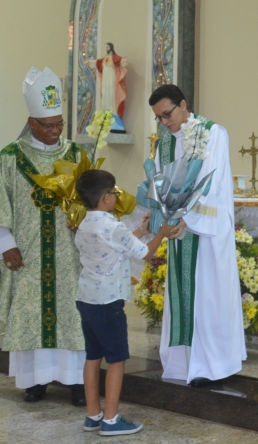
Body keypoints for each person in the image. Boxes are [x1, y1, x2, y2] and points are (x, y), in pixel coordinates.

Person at [0, 66, 89, 405]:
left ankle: (76, 382)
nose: (55, 131)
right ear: (32, 123)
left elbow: (94, 200)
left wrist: (81, 218)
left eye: (59, 124)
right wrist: (6, 246)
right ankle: (35, 381)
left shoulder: (75, 155)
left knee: (72, 313)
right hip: (27, 253)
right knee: (30, 313)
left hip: (70, 254)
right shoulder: (10, 157)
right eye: (48, 125)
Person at [149, 84, 246, 385]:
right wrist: (161, 212)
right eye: (159, 118)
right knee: (182, 294)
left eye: (167, 114)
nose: (165, 123)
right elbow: (157, 180)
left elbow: (213, 185)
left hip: (205, 235)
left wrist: (188, 220)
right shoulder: (163, 142)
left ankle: (214, 365)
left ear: (183, 104)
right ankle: (182, 364)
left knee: (208, 295)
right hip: (178, 233)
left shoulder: (212, 133)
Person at [74, 169, 181, 436]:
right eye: (114, 192)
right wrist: (162, 234)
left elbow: (117, 244)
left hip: (87, 300)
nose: (115, 196)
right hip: (109, 302)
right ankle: (111, 420)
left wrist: (143, 230)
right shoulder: (113, 226)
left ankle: (93, 415)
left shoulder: (85, 224)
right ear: (106, 197)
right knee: (117, 359)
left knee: (92, 356)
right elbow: (144, 253)